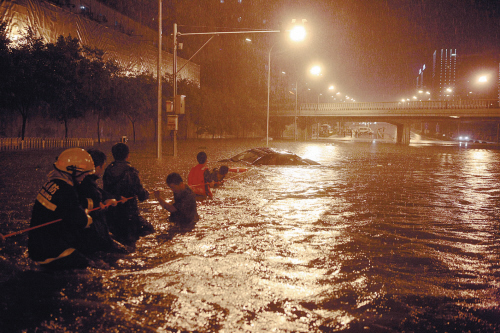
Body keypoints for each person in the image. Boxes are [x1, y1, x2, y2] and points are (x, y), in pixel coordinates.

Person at [28, 148, 97, 270]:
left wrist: (92, 204)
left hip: (37, 246)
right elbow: (81, 221)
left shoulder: (53, 183)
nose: (84, 177)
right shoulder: (66, 190)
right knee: (90, 268)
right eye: (84, 173)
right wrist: (88, 218)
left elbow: (71, 205)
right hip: (51, 250)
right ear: (73, 170)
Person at [77, 149, 128, 254]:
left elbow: (100, 193)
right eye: (102, 167)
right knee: (123, 252)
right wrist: (106, 205)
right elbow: (95, 212)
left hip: (82, 234)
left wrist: (116, 198)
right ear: (97, 167)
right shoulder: (88, 185)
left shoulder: (81, 180)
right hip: (92, 235)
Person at [103, 143, 153, 245]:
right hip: (129, 215)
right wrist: (146, 193)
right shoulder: (131, 171)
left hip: (112, 216)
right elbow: (141, 195)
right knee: (149, 231)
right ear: (128, 155)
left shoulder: (108, 170)